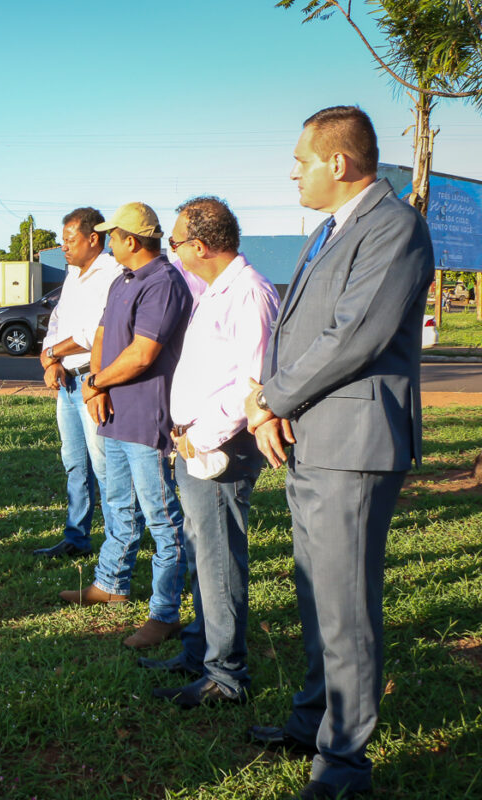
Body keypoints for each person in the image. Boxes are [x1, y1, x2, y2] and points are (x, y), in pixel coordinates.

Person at [244, 106, 433, 800]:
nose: (292, 171)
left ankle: (344, 767)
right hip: (312, 439)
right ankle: (312, 722)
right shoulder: (330, 230)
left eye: (300, 161)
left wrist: (272, 399)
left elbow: (355, 336)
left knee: (347, 606)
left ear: (338, 163)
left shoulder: (394, 228)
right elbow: (297, 328)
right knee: (318, 593)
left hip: (353, 445)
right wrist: (271, 397)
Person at [141, 197, 278, 709]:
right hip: (195, 441)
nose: (170, 250)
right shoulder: (217, 289)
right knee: (203, 553)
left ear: (199, 246)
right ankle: (201, 655)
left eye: (174, 243)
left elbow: (257, 382)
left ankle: (226, 674)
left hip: (219, 445)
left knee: (219, 559)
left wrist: (204, 433)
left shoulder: (249, 294)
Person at [72, 202, 193, 650]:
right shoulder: (124, 279)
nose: (107, 241)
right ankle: (111, 585)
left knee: (162, 519)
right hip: (114, 410)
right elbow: (103, 335)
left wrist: (95, 382)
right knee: (118, 505)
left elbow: (144, 353)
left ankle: (164, 613)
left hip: (146, 416)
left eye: (113, 235)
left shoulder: (163, 283)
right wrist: (97, 386)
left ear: (132, 240)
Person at [33, 208, 123, 559]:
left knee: (104, 466)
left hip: (92, 380)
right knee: (75, 463)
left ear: (92, 239)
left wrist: (55, 351)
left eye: (69, 240)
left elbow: (93, 332)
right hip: (67, 380)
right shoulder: (73, 273)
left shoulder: (112, 273)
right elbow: (57, 318)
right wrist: (49, 357)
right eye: (62, 239)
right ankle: (76, 538)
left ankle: (117, 544)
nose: (63, 246)